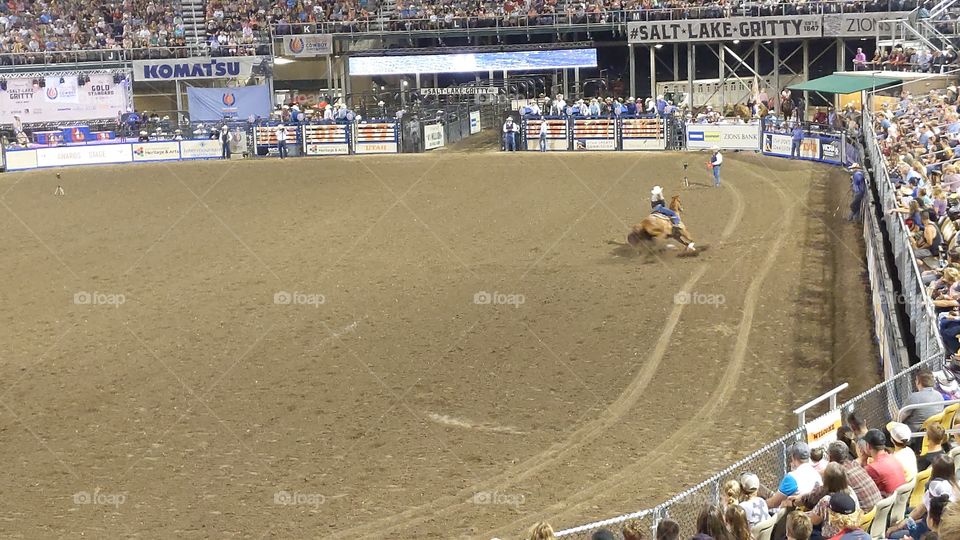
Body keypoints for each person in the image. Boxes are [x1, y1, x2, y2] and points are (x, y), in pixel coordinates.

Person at [886, 455, 960, 539]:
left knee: (894, 535)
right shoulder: (957, 488)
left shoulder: (935, 492)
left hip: (931, 530)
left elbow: (919, 511)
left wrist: (897, 527)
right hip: (939, 527)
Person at [826, 440, 882, 513]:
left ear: (830, 457)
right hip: (881, 510)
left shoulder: (838, 474)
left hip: (866, 517)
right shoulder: (856, 465)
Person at [768, 442, 823, 508]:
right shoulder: (816, 473)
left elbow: (773, 504)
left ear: (793, 457)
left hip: (792, 514)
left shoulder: (791, 478)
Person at [860, 429, 907, 496]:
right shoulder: (893, 458)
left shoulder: (872, 468)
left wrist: (862, 459)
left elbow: (863, 489)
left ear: (869, 446)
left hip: (888, 503)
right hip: (900, 501)